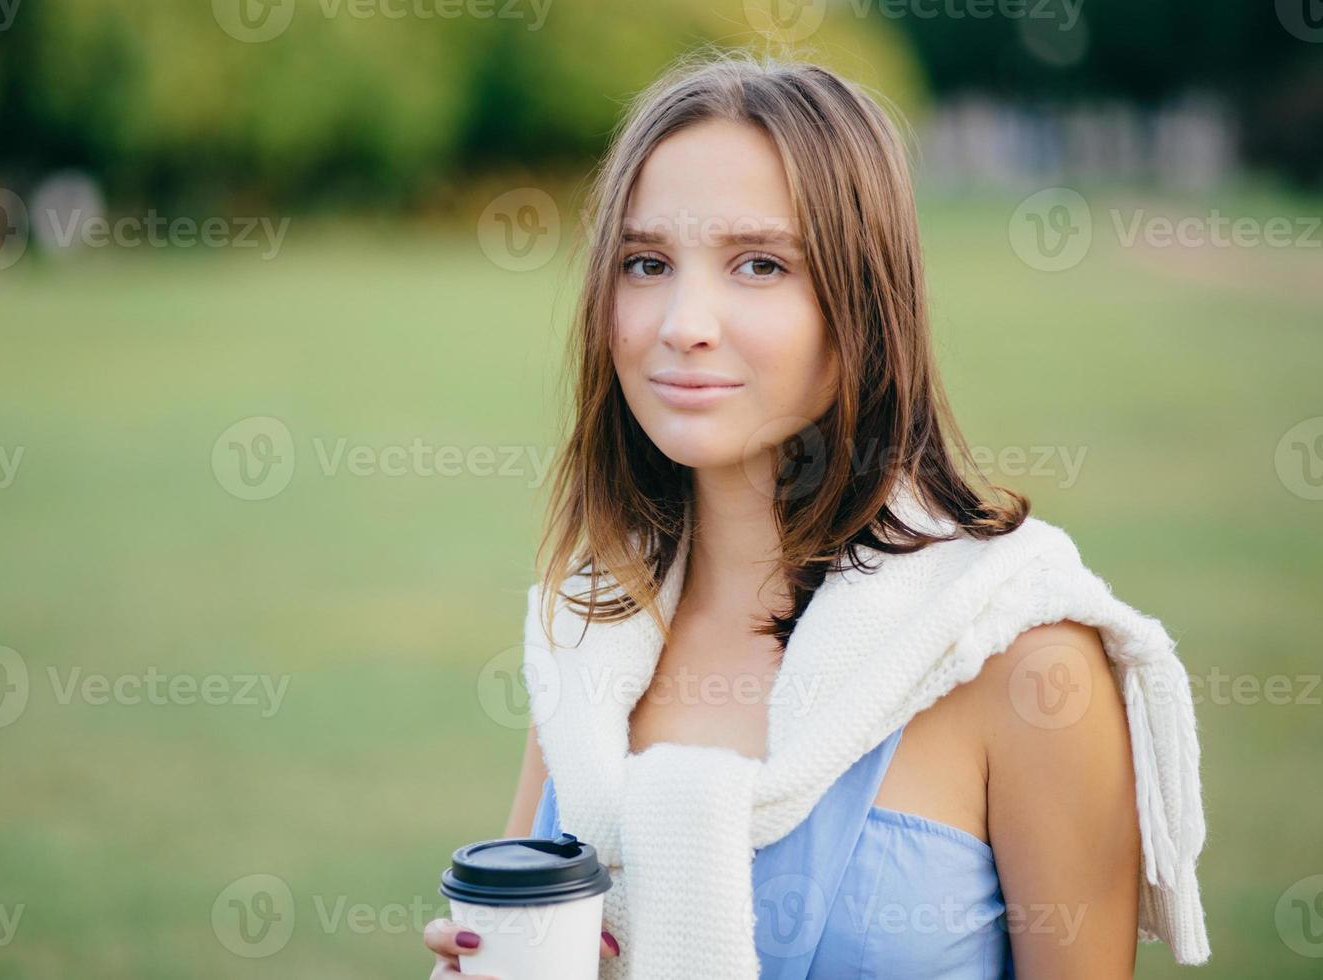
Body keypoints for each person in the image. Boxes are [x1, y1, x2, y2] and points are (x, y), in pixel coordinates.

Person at [426, 50, 1182, 979]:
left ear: (861, 303)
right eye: (647, 261)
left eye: (758, 263)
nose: (682, 322)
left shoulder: (1024, 657)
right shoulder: (594, 630)